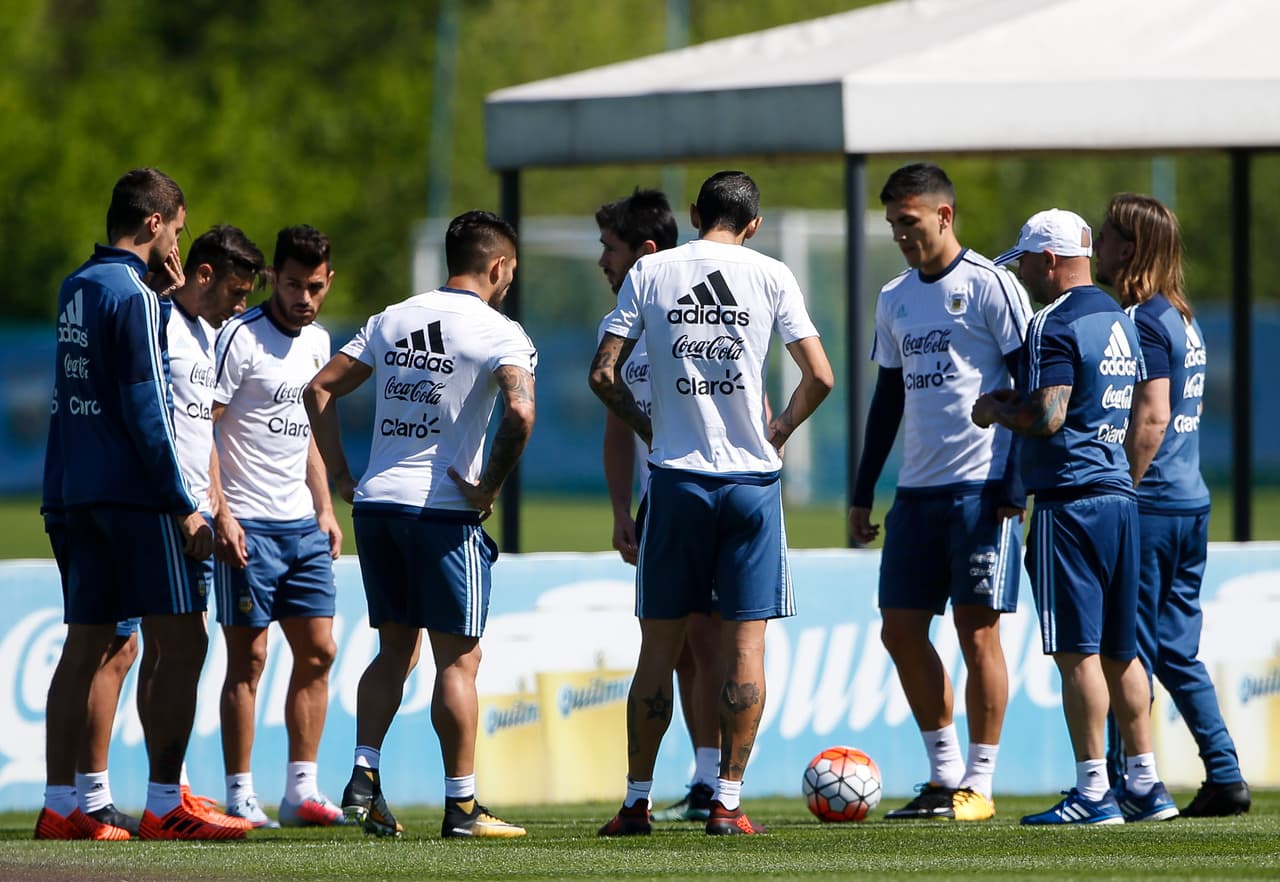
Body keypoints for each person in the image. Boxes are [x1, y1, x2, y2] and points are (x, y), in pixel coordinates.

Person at [590, 170, 834, 836]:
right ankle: (726, 801)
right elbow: (821, 376)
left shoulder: (652, 272)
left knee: (659, 650)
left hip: (677, 481)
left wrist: (651, 428)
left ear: (695, 212)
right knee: (744, 648)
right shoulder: (773, 274)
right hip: (753, 484)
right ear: (752, 224)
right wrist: (777, 432)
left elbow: (603, 372)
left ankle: (636, 803)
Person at [305, 210, 534, 840]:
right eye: (509, 270)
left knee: (394, 650)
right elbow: (519, 411)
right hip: (442, 514)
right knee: (458, 662)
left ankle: (362, 775)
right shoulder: (501, 333)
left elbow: (319, 389)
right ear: (496, 267)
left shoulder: (393, 317)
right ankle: (462, 807)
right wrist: (487, 486)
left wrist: (346, 476)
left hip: (378, 506)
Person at [38, 168, 242, 841]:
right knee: (184, 638)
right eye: (177, 229)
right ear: (155, 222)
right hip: (135, 498)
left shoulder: (80, 285)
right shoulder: (137, 298)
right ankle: (164, 802)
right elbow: (145, 405)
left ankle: (65, 805)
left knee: (87, 645)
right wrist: (182, 502)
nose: (177, 242)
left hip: (72, 491)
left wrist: (159, 293)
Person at [973, 208, 1177, 825]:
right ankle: (1145, 783)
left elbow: (1051, 415)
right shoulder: (1119, 318)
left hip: (1070, 502)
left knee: (1079, 654)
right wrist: (1027, 404)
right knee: (1124, 652)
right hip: (1120, 496)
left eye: (1030, 262)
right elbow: (1119, 406)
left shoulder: (1050, 322)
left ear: (1051, 260)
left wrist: (996, 412)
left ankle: (1093, 790)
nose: (1027, 275)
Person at [68, 225, 268, 837]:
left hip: (187, 508)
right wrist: (182, 504)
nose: (242, 305)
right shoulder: (152, 316)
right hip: (157, 506)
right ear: (202, 274)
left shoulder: (204, 333)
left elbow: (197, 431)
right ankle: (149, 801)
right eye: (235, 290)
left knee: (140, 647)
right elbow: (143, 412)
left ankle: (128, 795)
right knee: (160, 645)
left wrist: (218, 506)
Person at [849, 163, 1031, 822]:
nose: (899, 234)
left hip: (983, 488)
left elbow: (1032, 389)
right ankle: (944, 774)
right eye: (893, 223)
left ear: (944, 216)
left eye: (909, 221)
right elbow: (888, 397)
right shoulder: (895, 295)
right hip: (917, 493)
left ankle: (979, 783)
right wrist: (864, 489)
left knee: (977, 633)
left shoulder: (992, 287)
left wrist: (1017, 484)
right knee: (900, 630)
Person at [1095, 193, 1251, 816]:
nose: (1097, 247)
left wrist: (1121, 487)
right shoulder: (1182, 317)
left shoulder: (1141, 322)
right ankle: (1225, 773)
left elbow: (1153, 415)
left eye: (1105, 236)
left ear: (1129, 249)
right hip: (1191, 500)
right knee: (1176, 649)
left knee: (1122, 647)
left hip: (1153, 504)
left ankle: (1118, 781)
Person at [211, 225, 345, 828]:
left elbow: (310, 436)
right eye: (293, 284)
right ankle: (239, 791)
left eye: (314, 287)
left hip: (302, 527)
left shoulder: (320, 343)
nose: (304, 298)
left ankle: (301, 791)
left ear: (328, 281)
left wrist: (324, 508)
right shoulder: (239, 337)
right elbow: (205, 430)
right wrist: (222, 511)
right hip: (248, 525)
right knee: (250, 657)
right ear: (273, 279)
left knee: (319, 652)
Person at [595, 188, 721, 823]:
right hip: (659, 505)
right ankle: (700, 781)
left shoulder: (696, 311)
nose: (601, 262)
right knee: (676, 648)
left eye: (609, 249)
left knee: (709, 638)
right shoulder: (619, 326)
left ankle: (717, 784)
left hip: (712, 491)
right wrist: (623, 508)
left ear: (645, 252)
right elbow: (618, 427)